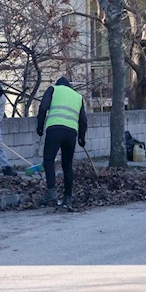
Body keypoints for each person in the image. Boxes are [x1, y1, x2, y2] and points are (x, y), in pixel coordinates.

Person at [36, 76, 88, 207]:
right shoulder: (77, 96)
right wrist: (82, 137)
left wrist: (40, 127)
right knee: (67, 165)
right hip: (71, 133)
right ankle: (68, 197)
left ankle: (51, 191)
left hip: (54, 129)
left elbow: (43, 108)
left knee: (48, 160)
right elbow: (83, 120)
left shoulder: (53, 89)